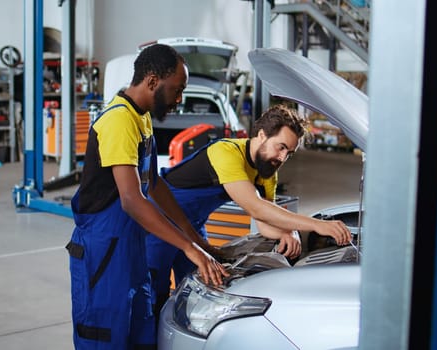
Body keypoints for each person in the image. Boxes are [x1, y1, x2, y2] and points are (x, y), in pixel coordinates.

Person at [66, 43, 228, 350]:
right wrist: (187, 248)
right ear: (152, 81)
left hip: (130, 248)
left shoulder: (140, 118)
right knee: (106, 338)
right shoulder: (118, 120)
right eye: (177, 90)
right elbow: (131, 199)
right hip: (103, 252)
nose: (179, 100)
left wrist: (194, 240)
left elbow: (154, 185)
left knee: (143, 334)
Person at [146, 104, 354, 318]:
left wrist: (287, 231)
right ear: (262, 135)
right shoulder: (225, 152)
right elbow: (256, 207)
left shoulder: (267, 172)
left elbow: (264, 221)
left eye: (289, 153)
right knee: (153, 295)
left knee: (199, 291)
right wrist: (317, 224)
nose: (282, 158)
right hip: (159, 222)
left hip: (193, 226)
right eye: (280, 147)